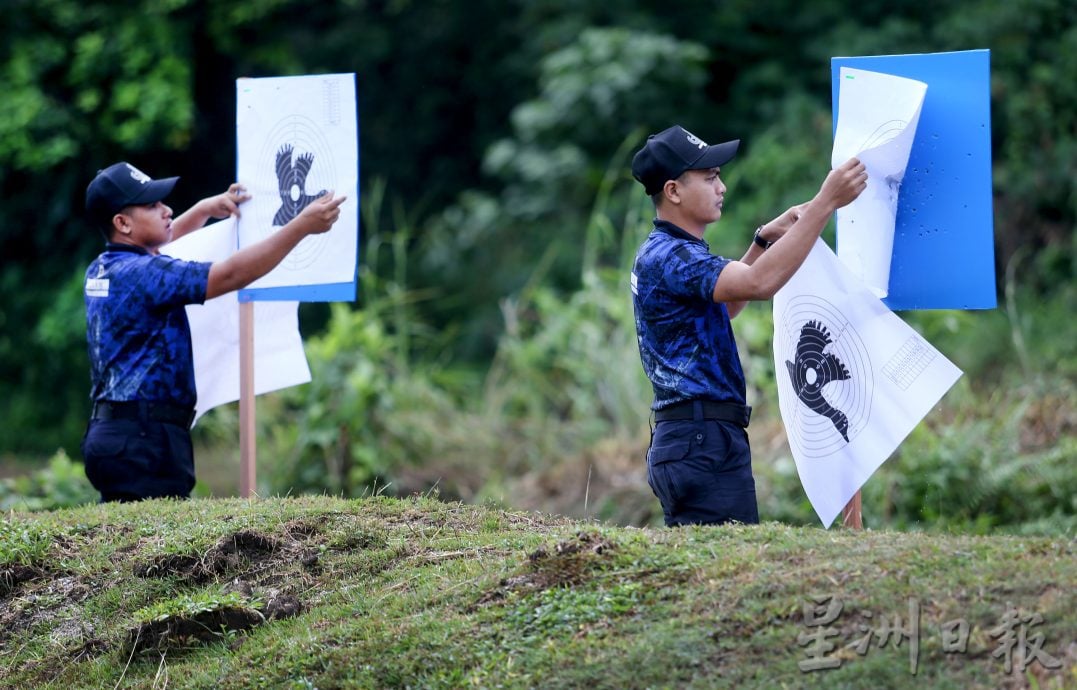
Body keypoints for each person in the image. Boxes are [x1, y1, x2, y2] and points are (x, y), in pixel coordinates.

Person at [629, 125, 866, 526]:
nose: (721, 186)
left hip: (696, 439)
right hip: (700, 442)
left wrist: (763, 240)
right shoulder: (672, 257)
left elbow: (728, 306)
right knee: (718, 575)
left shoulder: (671, 252)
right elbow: (757, 285)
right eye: (709, 177)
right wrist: (826, 203)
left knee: (708, 573)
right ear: (673, 191)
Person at [81, 161, 346, 502]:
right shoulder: (143, 274)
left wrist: (205, 209)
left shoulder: (103, 269)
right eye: (152, 205)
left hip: (114, 435)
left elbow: (159, 244)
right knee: (154, 549)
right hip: (145, 442)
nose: (167, 210)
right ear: (122, 223)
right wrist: (301, 226)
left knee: (124, 544)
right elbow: (230, 275)